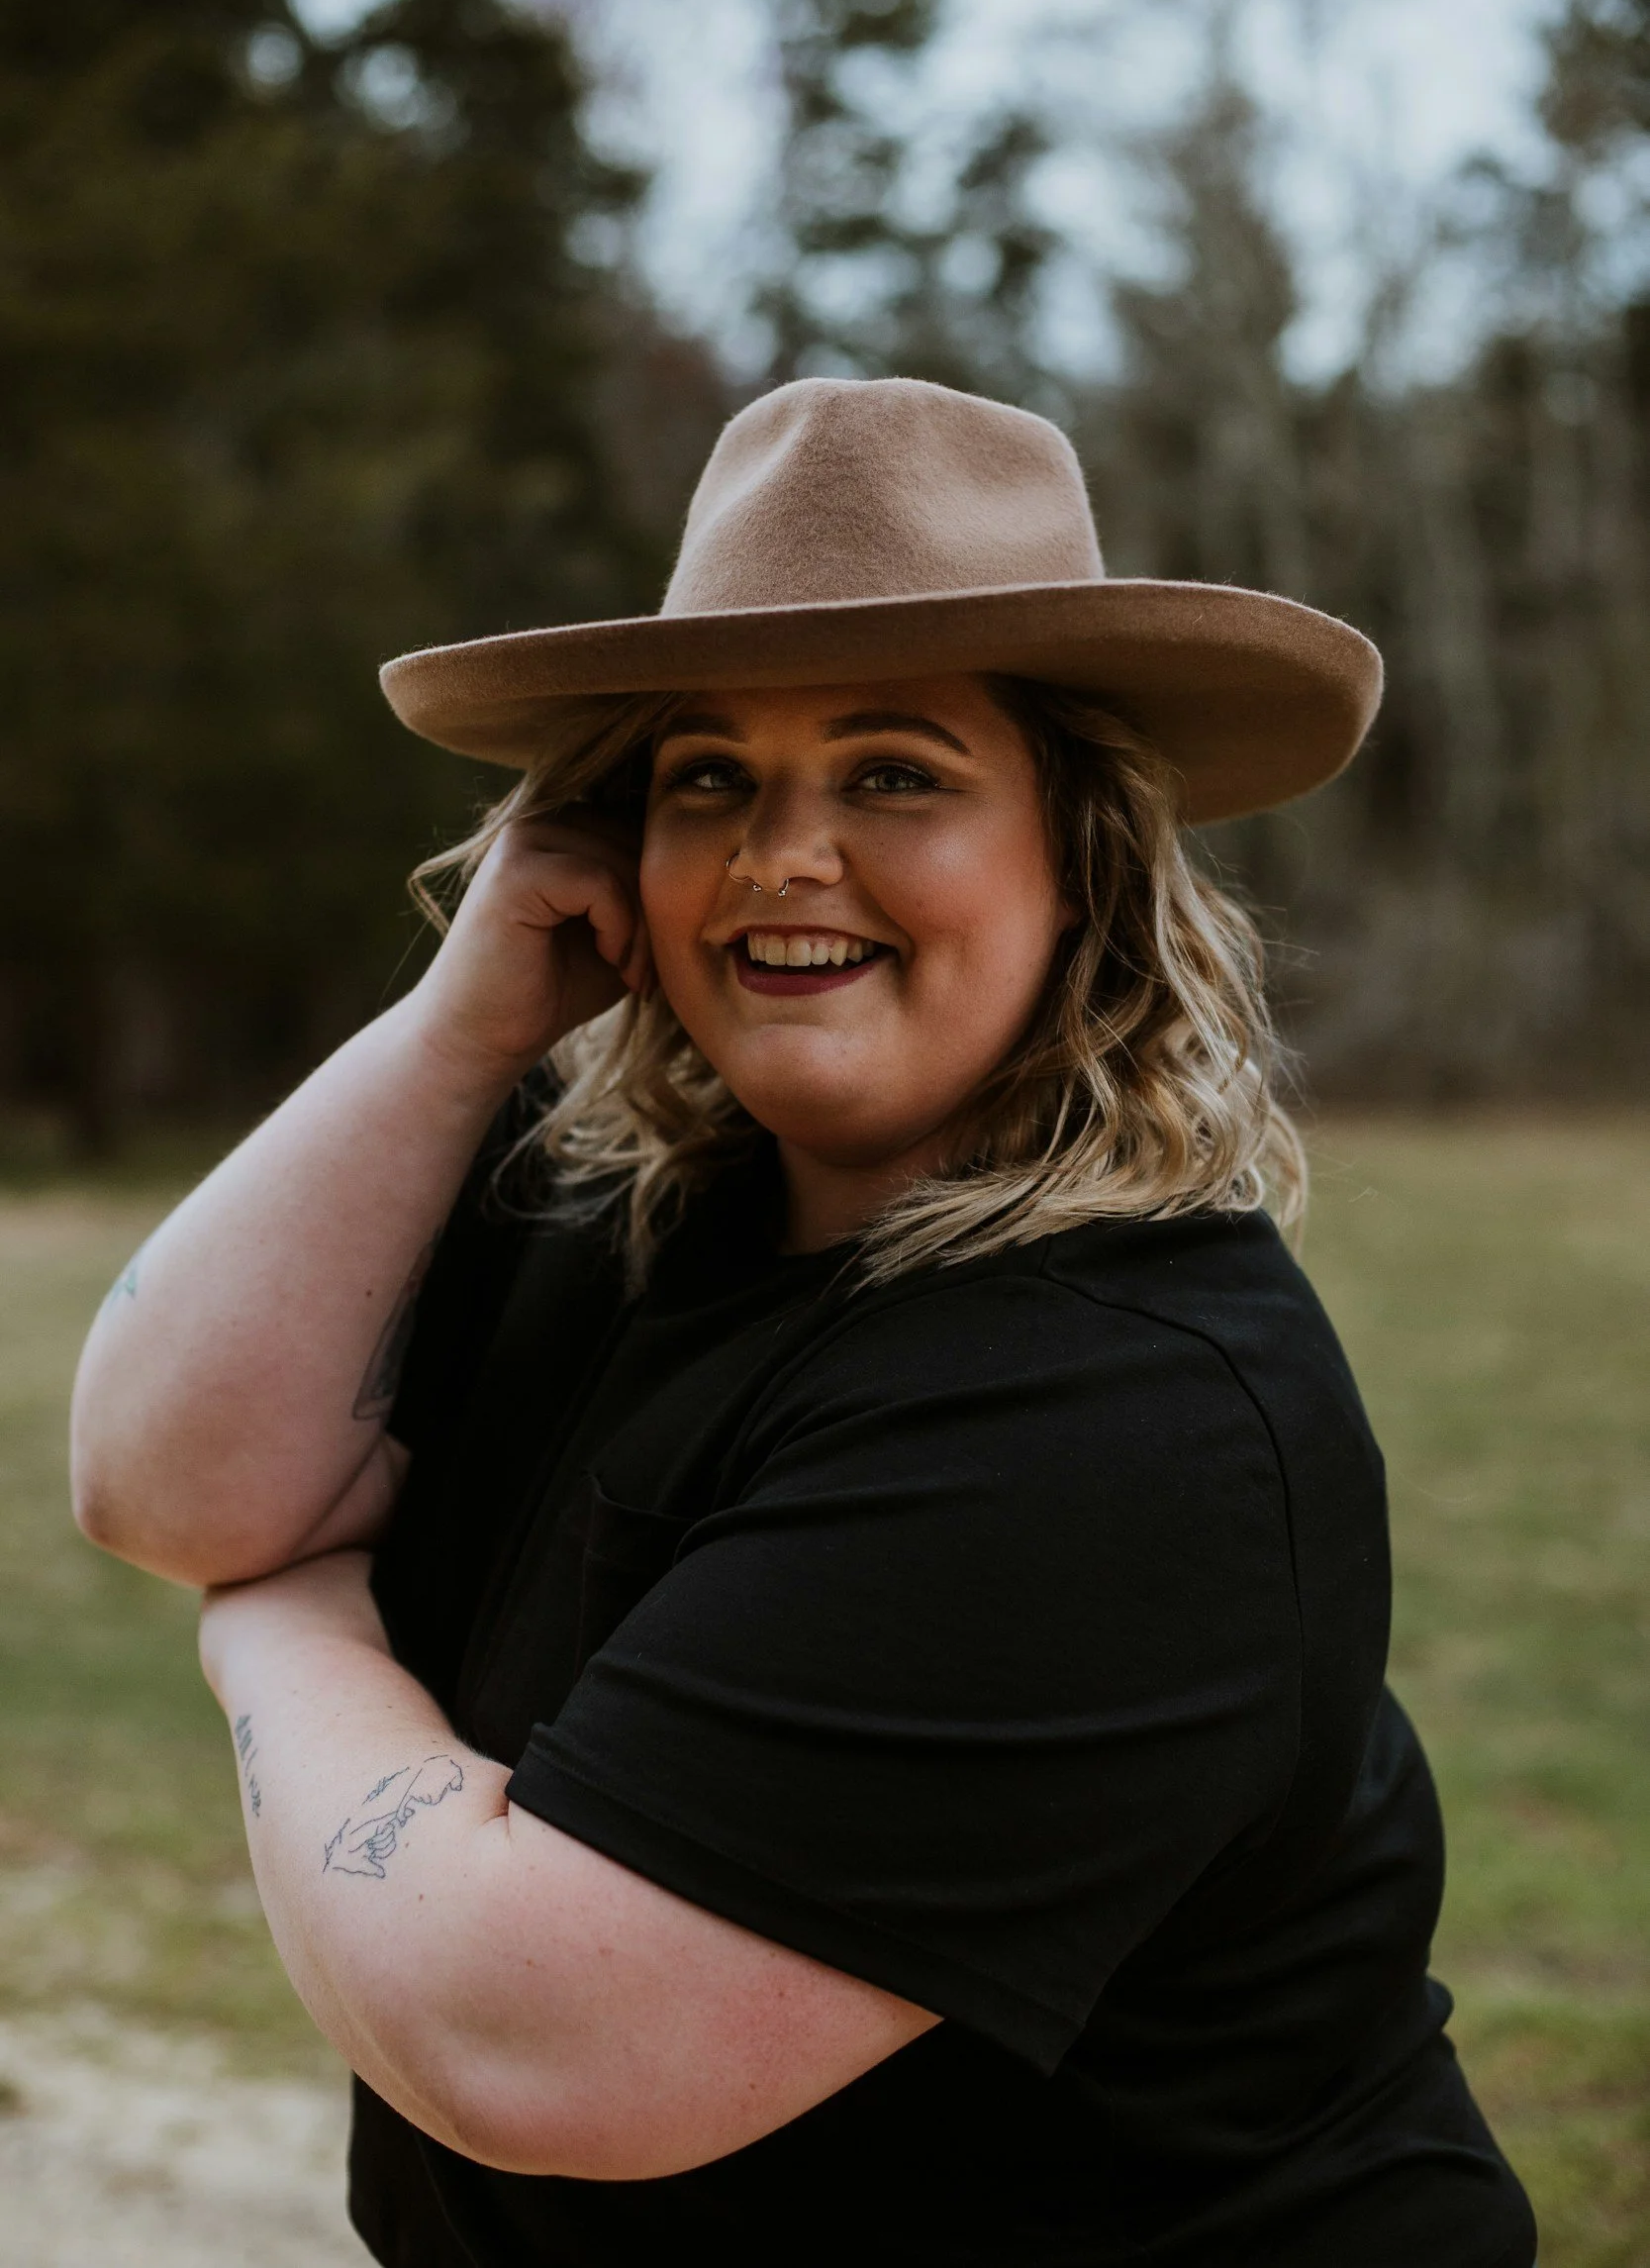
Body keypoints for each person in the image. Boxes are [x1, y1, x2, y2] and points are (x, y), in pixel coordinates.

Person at [69, 377, 1536, 2268]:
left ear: (1083, 859)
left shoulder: (1109, 1407)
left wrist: (283, 1620)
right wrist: (463, 1021)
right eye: (707, 778)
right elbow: (156, 1475)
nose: (780, 852)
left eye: (894, 771)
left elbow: (529, 2039)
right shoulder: (591, 1186)